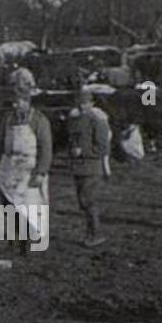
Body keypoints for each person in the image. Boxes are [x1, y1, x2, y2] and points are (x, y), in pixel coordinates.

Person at [0, 68, 52, 255]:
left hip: (29, 169)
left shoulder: (39, 121)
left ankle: (27, 243)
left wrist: (41, 172)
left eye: (21, 103)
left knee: (28, 208)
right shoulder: (7, 120)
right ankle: (12, 241)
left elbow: (46, 148)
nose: (18, 107)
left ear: (28, 102)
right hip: (9, 168)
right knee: (8, 206)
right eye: (15, 104)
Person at [67, 87, 111, 248]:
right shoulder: (74, 119)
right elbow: (72, 140)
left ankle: (96, 233)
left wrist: (83, 152)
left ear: (91, 103)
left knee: (89, 200)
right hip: (79, 167)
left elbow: (102, 147)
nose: (81, 106)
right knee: (83, 201)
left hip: (92, 166)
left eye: (85, 103)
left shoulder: (97, 119)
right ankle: (91, 232)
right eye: (79, 103)